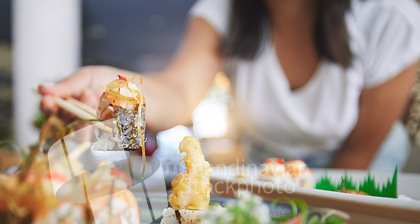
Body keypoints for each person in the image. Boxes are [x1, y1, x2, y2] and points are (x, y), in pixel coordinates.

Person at [39, 0, 420, 171]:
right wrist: (113, 87)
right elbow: (178, 94)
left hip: (361, 172)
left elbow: (359, 154)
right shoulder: (224, 10)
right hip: (272, 171)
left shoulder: (392, 16)